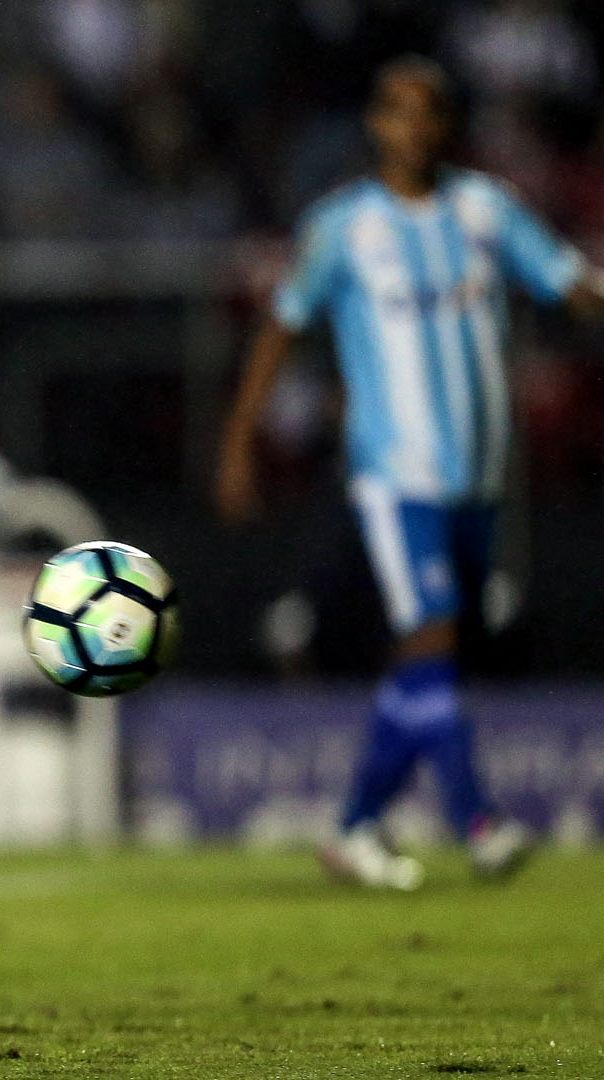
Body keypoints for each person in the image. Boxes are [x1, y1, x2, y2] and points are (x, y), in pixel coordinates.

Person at [218, 56, 604, 890]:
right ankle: (481, 822)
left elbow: (568, 281)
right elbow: (282, 326)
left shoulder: (485, 211)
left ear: (447, 123)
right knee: (430, 631)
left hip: (480, 475)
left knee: (432, 657)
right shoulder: (344, 226)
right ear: (375, 124)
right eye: (397, 110)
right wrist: (239, 439)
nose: (413, 125)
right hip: (395, 474)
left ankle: (355, 827)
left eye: (429, 110)